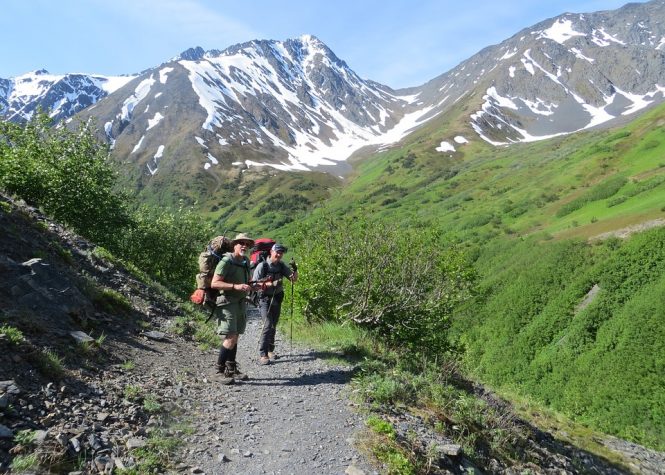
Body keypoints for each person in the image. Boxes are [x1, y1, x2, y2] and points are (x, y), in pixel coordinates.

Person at [210, 232, 255, 385]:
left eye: (247, 244)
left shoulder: (245, 262)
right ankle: (218, 371)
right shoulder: (226, 261)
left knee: (235, 337)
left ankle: (231, 368)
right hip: (227, 302)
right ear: (234, 245)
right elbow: (215, 283)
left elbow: (248, 282)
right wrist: (235, 286)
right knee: (230, 337)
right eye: (241, 243)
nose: (244, 246)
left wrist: (254, 286)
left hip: (240, 302)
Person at [252, 243, 298, 365]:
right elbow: (254, 285)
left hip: (277, 297)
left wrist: (295, 270)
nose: (279, 255)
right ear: (271, 252)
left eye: (281, 253)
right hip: (264, 299)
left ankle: (270, 350)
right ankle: (263, 354)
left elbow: (293, 279)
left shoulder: (281, 266)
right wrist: (271, 284)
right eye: (277, 252)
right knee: (267, 325)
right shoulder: (262, 266)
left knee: (274, 325)